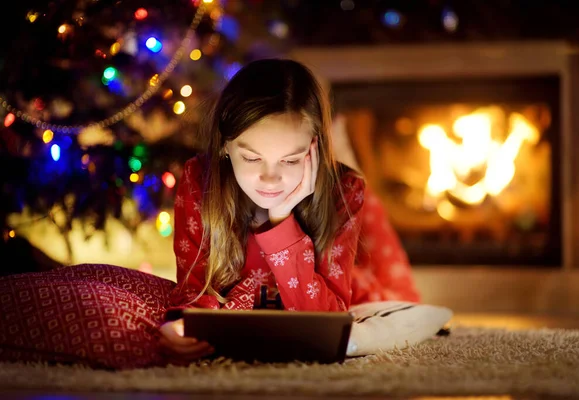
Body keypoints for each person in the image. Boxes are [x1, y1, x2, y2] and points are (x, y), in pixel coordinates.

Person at [158, 58, 420, 362]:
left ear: (314, 148)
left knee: (408, 309)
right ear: (225, 146)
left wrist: (281, 221)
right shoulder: (198, 181)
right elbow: (193, 293)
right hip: (257, 297)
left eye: (291, 160)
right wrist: (178, 327)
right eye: (252, 159)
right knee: (93, 290)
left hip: (354, 287)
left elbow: (327, 321)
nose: (270, 179)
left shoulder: (345, 192)